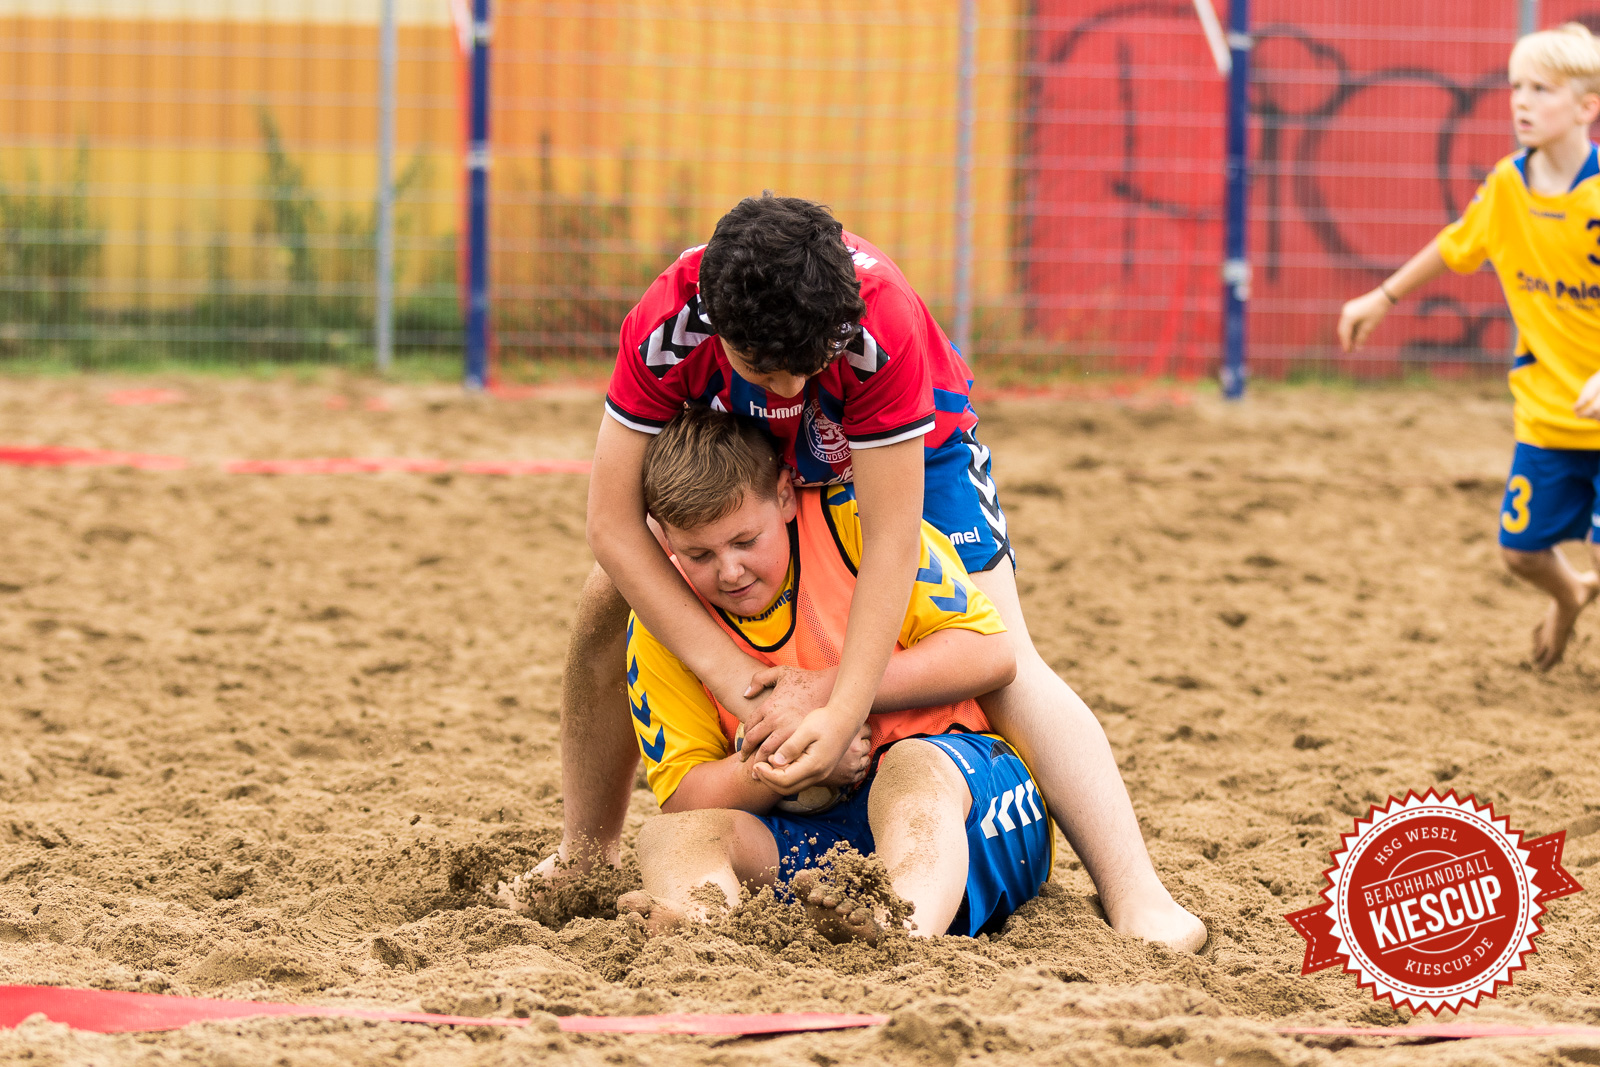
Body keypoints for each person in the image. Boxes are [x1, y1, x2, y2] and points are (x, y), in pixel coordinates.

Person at [525, 194, 1204, 951]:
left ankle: (1137, 891)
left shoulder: (880, 324)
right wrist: (741, 683)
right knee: (603, 600)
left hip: (903, 439)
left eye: (802, 369)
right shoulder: (666, 325)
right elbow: (611, 524)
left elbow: (889, 539)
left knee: (999, 651)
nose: (786, 390)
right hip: (736, 443)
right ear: (717, 329)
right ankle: (584, 852)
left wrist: (841, 704)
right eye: (766, 370)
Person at [615, 406, 1051, 941]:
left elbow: (990, 654)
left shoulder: (858, 525)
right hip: (818, 846)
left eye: (745, 542)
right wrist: (793, 760)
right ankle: (705, 934)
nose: (729, 571)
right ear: (664, 540)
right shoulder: (663, 617)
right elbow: (684, 793)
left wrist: (834, 700)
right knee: (669, 836)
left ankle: (897, 929)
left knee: (912, 767)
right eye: (698, 554)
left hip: (968, 807)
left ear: (783, 497)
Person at [1338, 23, 1600, 670]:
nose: (1520, 100)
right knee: (1519, 552)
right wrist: (1384, 297)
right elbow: (1455, 243)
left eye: (1541, 88)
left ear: (1586, 106)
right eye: (1515, 86)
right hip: (1548, 414)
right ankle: (1569, 595)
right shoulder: (1508, 188)